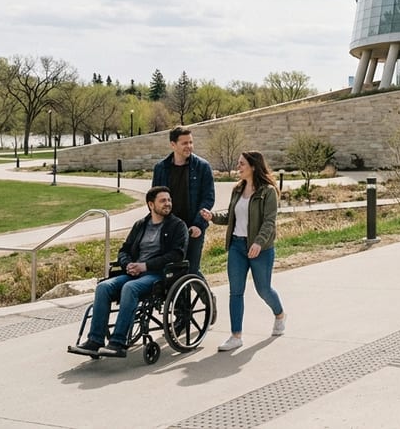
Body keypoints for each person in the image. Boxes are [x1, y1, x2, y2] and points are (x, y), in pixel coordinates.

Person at [69, 186, 188, 357]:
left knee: (130, 288)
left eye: (169, 200)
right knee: (103, 287)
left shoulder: (177, 226)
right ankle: (95, 341)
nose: (168, 204)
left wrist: (145, 266)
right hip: (133, 273)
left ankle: (118, 342)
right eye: (163, 201)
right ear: (151, 204)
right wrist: (128, 265)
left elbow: (177, 254)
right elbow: (124, 250)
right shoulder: (140, 225)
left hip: (158, 275)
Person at [201, 150, 286, 352]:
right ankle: (236, 336)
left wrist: (258, 242)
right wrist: (212, 216)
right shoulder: (237, 190)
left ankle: (280, 315)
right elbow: (231, 217)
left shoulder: (268, 192)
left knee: (263, 289)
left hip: (260, 248)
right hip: (236, 247)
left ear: (254, 166)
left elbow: (269, 222)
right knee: (235, 292)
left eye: (242, 164)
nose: (238, 167)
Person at [152, 126, 215, 275]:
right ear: (173, 145)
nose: (189, 146)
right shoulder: (161, 168)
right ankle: (180, 299)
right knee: (171, 270)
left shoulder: (202, 167)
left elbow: (208, 198)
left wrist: (198, 224)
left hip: (193, 227)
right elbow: (154, 199)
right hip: (169, 228)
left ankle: (207, 297)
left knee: (191, 269)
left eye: (191, 142)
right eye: (184, 143)